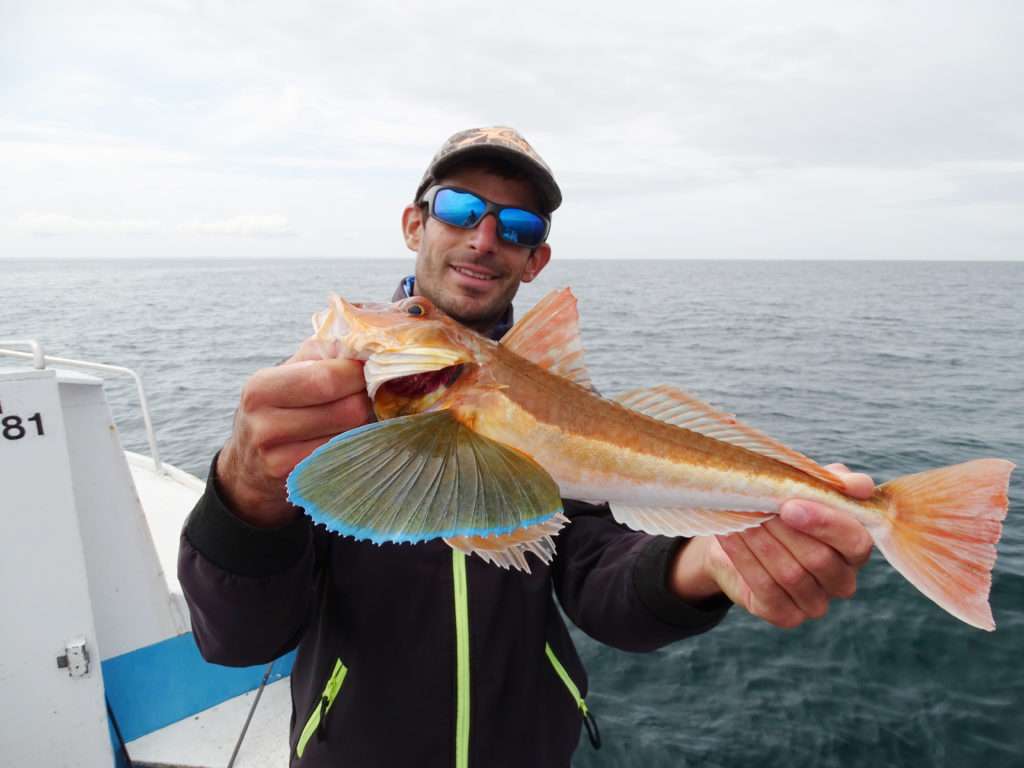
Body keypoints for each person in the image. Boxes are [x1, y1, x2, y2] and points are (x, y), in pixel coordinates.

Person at [178, 126, 875, 767]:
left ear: (535, 259)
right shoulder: (318, 407)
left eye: (515, 226)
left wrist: (705, 558)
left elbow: (601, 582)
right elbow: (235, 642)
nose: (485, 238)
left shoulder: (548, 401)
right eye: (459, 208)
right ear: (413, 223)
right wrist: (247, 486)